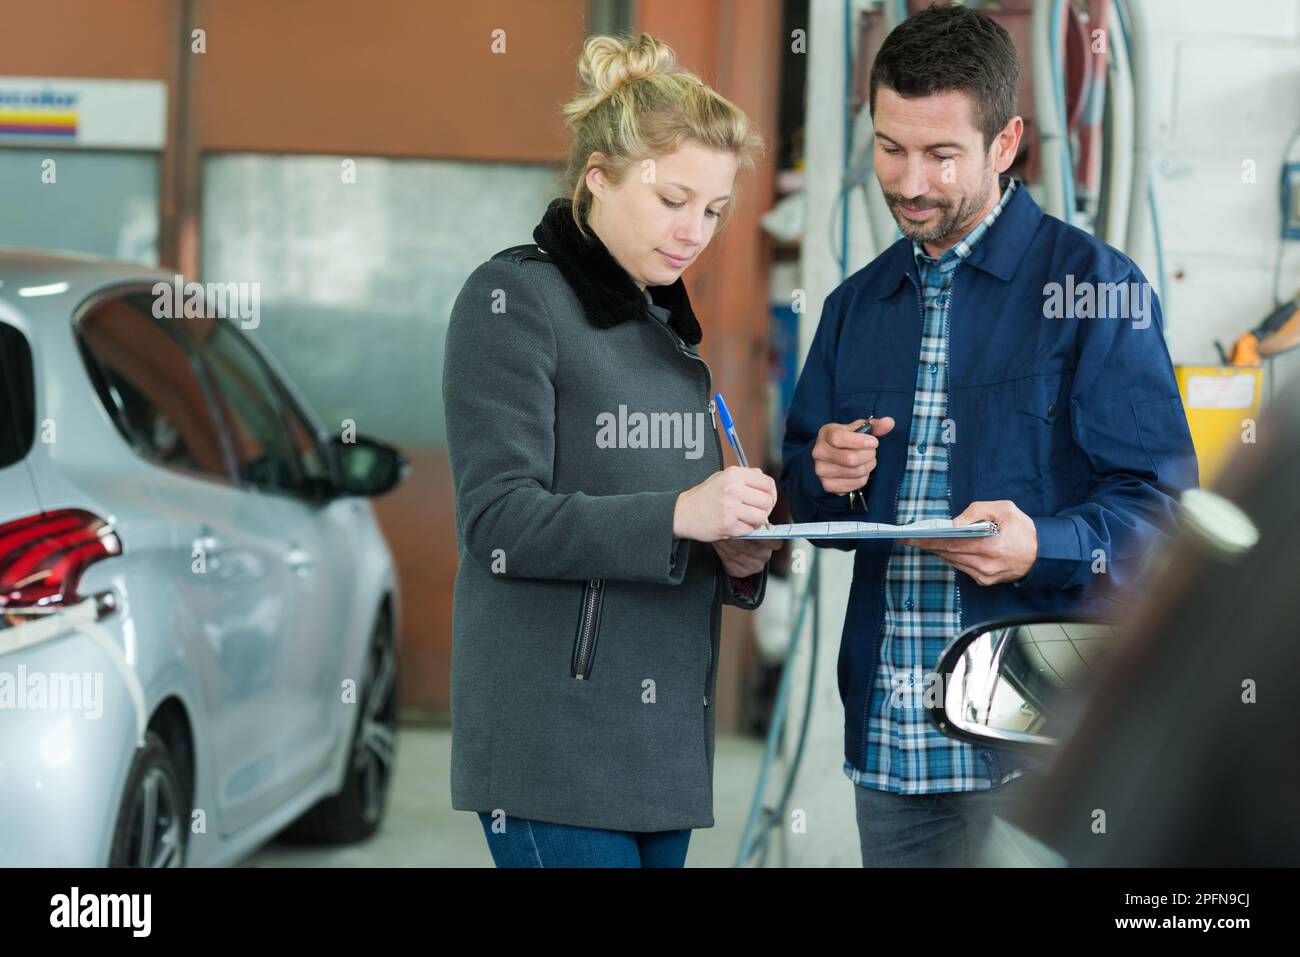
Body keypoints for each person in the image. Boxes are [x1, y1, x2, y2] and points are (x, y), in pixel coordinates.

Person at [779, 3, 1198, 867]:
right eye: (891, 147)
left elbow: (1162, 517)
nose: (910, 181)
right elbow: (801, 497)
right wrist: (824, 474)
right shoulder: (855, 306)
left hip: (1039, 748)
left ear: (1005, 145)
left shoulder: (1096, 289)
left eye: (941, 155)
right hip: (892, 748)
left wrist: (1040, 544)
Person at [444, 32, 781, 867]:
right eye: (672, 199)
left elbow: (667, 527)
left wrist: (735, 551)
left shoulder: (666, 328)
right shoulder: (514, 299)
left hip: (660, 745)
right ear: (597, 176)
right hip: (554, 745)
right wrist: (679, 512)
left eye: (712, 209)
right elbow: (498, 519)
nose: (694, 230)